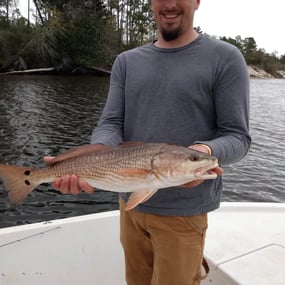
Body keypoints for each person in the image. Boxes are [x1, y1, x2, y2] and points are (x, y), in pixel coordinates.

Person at [48, 0, 251, 284]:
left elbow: (237, 136)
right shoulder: (127, 62)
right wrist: (94, 157)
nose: (169, 4)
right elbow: (110, 124)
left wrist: (205, 151)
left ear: (197, 1)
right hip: (130, 206)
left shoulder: (225, 58)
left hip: (184, 213)